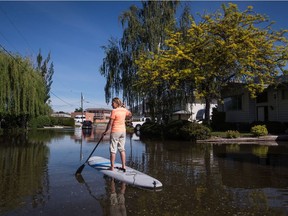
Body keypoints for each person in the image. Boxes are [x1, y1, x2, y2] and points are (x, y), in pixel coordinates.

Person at [103, 97, 132, 171]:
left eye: (113, 103)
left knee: (113, 149)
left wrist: (106, 131)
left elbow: (110, 123)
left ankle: (112, 167)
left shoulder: (114, 111)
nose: (112, 104)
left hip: (115, 131)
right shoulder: (124, 110)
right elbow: (130, 115)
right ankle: (123, 166)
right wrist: (125, 108)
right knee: (122, 149)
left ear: (116, 103)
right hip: (123, 132)